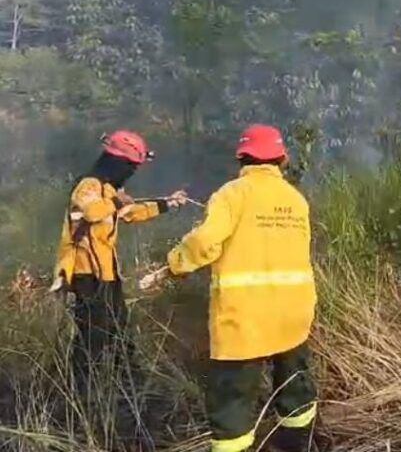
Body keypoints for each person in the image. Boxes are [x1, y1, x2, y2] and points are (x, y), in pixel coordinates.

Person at [143, 124, 318, 452]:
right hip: (294, 314)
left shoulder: (232, 194)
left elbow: (205, 243)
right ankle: (299, 445)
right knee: (296, 387)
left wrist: (174, 264)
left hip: (245, 319)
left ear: (242, 158)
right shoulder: (296, 200)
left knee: (233, 401)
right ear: (281, 158)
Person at [52, 130, 188, 448]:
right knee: (91, 339)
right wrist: (114, 200)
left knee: (119, 333)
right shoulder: (89, 186)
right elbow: (92, 211)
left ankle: (129, 387)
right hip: (86, 275)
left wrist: (167, 204)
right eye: (131, 166)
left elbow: (130, 212)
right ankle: (79, 399)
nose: (132, 173)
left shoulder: (110, 190)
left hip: (108, 275)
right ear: (117, 162)